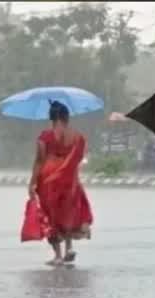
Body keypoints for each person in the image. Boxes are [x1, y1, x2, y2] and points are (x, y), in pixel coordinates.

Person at [28, 100, 93, 266]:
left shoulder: (45, 137)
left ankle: (57, 255)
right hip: (70, 181)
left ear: (51, 118)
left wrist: (32, 183)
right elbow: (79, 158)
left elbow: (39, 161)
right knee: (69, 213)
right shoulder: (78, 137)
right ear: (66, 117)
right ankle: (69, 248)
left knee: (51, 217)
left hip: (48, 182)